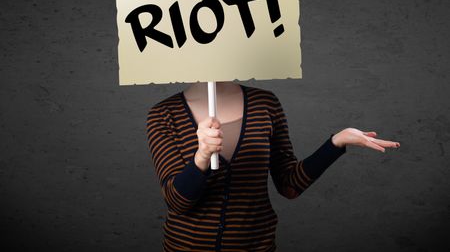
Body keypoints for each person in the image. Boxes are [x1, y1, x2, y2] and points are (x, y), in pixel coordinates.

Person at [146, 81, 400, 251]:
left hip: (256, 245)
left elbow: (289, 185)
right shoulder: (163, 114)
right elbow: (176, 201)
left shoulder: (265, 104)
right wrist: (201, 156)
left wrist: (336, 142)